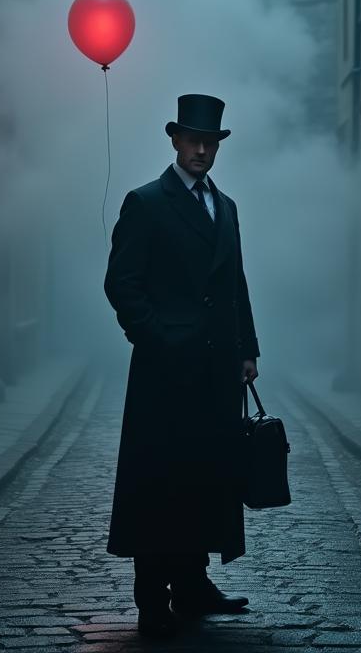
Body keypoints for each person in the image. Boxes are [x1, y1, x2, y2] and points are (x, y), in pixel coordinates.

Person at [104, 93, 260, 638]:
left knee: (205, 479)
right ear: (173, 140)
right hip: (165, 375)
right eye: (192, 140)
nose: (200, 150)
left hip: (216, 372)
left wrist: (247, 349)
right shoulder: (146, 203)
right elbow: (122, 285)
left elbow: (235, 283)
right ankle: (152, 600)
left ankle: (193, 588)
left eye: (210, 142)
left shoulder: (227, 206)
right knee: (159, 483)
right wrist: (158, 340)